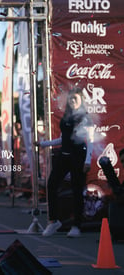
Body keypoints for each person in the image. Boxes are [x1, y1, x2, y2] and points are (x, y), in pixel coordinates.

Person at [36, 88, 94, 238]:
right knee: (51, 184)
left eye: (75, 99)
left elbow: (91, 141)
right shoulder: (66, 117)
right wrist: (43, 144)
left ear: (81, 100)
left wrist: (87, 161)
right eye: (70, 99)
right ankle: (53, 221)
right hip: (64, 155)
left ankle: (76, 225)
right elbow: (62, 139)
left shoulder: (86, 118)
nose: (72, 101)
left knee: (76, 190)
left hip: (78, 157)